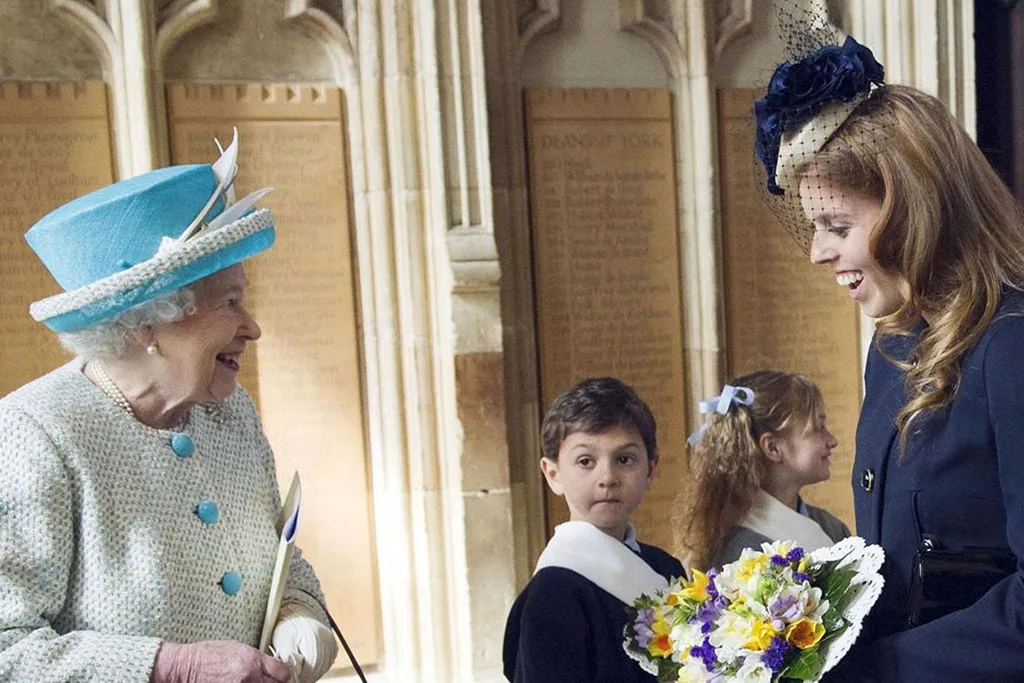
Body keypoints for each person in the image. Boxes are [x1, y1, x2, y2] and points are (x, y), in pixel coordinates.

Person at [0, 132, 338, 682]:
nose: (252, 327)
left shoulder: (229, 413)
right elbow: (6, 649)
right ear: (147, 324)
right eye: (229, 303)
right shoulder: (36, 436)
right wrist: (174, 667)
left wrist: (299, 615)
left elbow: (281, 560)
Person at [755, 4, 1024, 680]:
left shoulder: (1010, 348)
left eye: (838, 227)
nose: (817, 252)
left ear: (914, 209)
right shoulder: (893, 346)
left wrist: (877, 670)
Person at [501, 377, 685, 683]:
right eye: (586, 461)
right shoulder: (552, 594)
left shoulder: (666, 569)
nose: (608, 477)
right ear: (553, 474)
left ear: (650, 470)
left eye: (624, 459)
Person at [675, 372, 849, 570]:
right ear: (772, 447)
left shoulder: (831, 527)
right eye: (818, 427)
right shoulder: (739, 553)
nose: (832, 440)